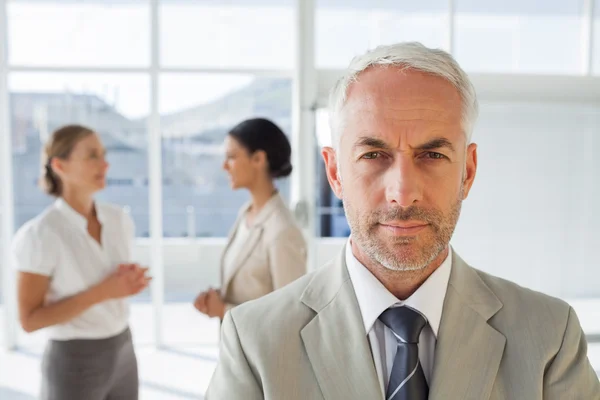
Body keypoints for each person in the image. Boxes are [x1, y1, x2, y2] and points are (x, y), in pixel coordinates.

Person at [206, 43, 600, 399]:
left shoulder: (550, 336)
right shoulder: (253, 342)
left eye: (432, 156)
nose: (403, 192)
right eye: (374, 155)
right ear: (335, 173)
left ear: (468, 171)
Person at [12, 124, 151, 400]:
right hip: (73, 360)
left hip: (124, 348)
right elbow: (29, 320)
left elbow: (110, 282)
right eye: (92, 156)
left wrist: (127, 281)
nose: (105, 163)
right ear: (60, 166)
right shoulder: (39, 235)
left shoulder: (119, 220)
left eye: (103, 154)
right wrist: (105, 291)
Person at [193, 118, 307, 321]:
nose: (224, 166)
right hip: (236, 348)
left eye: (231, 157)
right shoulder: (246, 214)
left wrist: (224, 310)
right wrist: (218, 299)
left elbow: (292, 315)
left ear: (258, 159)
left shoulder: (282, 230)